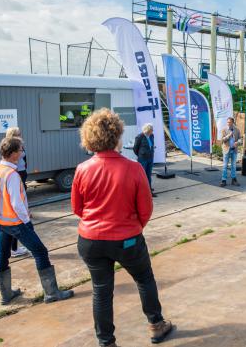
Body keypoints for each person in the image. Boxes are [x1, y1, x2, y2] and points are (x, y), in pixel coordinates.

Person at [73, 109, 174, 346]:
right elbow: (146, 210)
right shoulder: (133, 168)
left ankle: (106, 342)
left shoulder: (82, 169)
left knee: (101, 291)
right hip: (126, 239)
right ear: (117, 136)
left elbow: (78, 209)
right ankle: (156, 326)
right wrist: (132, 228)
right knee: (144, 278)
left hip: (90, 240)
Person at [0, 137, 74, 306]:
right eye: (21, 150)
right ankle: (51, 293)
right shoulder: (12, 175)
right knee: (41, 252)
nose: (22, 152)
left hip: (0, 221)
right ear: (13, 154)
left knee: (2, 255)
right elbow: (16, 203)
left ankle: (6, 295)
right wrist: (26, 219)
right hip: (16, 223)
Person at [5, 127, 30, 258]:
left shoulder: (15, 145)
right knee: (16, 221)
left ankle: (12, 248)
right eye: (19, 133)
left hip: (20, 171)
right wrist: (27, 219)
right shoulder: (14, 146)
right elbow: (17, 202)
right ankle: (14, 249)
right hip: (18, 171)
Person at [133, 123, 157, 197]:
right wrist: (140, 155)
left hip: (150, 158)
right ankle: (142, 191)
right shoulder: (139, 137)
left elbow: (152, 145)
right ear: (147, 130)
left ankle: (149, 191)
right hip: (143, 159)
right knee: (142, 176)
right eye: (151, 130)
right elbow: (135, 148)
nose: (152, 131)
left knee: (149, 175)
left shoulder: (152, 136)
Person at [220, 117, 242, 187]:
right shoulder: (224, 130)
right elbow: (222, 140)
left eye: (230, 122)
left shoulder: (237, 130)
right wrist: (228, 135)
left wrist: (237, 143)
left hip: (234, 150)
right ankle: (223, 180)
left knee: (233, 166)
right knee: (225, 165)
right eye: (227, 122)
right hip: (226, 150)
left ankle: (233, 180)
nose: (228, 123)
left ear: (233, 123)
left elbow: (240, 139)